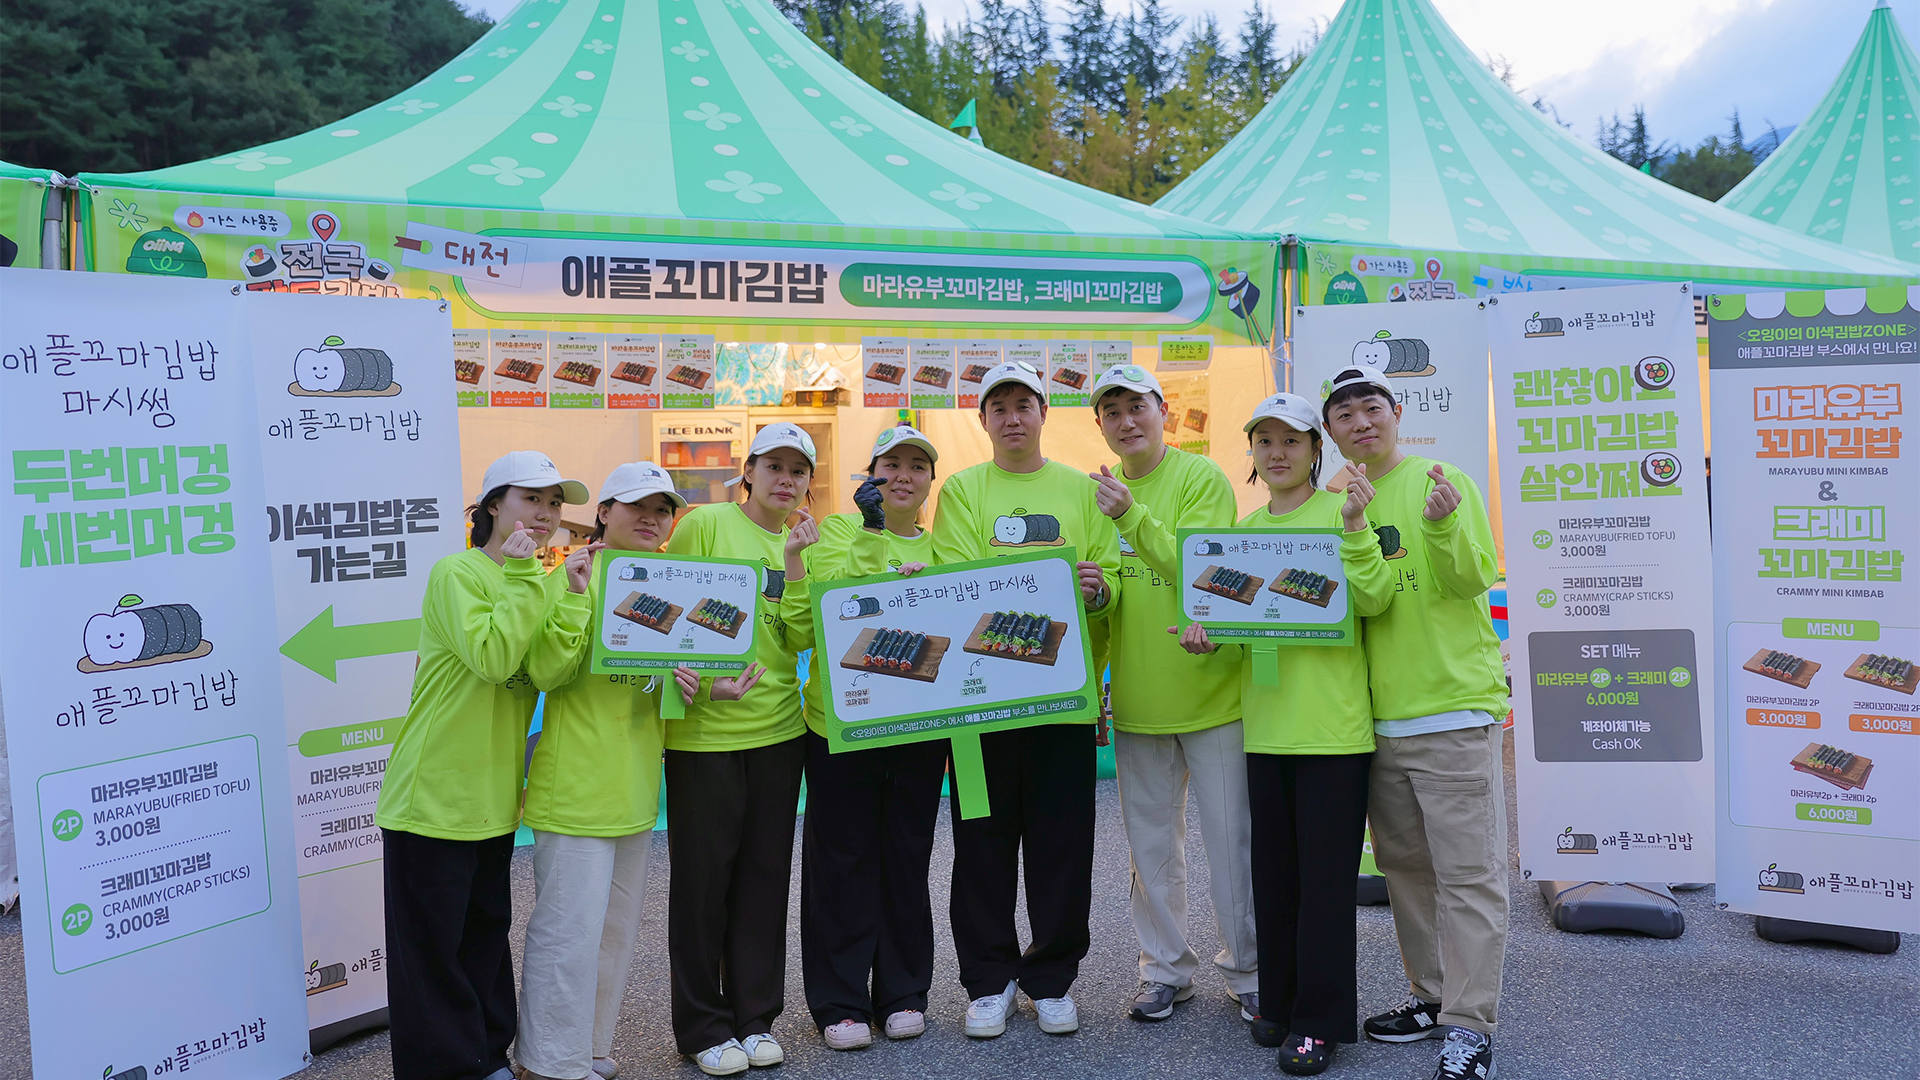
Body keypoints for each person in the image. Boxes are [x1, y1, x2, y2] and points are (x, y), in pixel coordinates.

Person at [515, 462, 764, 1080]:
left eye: (662, 510)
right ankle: (547, 1063)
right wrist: (575, 597)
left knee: (613, 932)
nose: (652, 519)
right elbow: (547, 671)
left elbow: (656, 687)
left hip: (634, 791)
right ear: (604, 513)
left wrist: (708, 690)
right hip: (574, 787)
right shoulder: (574, 576)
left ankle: (589, 1049)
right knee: (566, 932)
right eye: (637, 507)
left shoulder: (668, 584)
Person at [1174, 393, 1392, 1075]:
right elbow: (1247, 638)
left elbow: (1376, 598)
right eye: (1264, 441)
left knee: (1324, 886)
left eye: (1291, 440)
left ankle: (1320, 1021)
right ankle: (1281, 999)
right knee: (1273, 876)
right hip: (1265, 731)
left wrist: (1355, 528)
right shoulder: (1243, 532)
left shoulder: (1341, 512)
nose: (1277, 453)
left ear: (1315, 449)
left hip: (1333, 732)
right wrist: (1210, 637)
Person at [376, 451, 588, 1080]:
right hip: (431, 796)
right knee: (432, 952)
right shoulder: (457, 573)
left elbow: (547, 671)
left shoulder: (537, 582)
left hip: (493, 798)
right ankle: (446, 1069)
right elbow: (494, 658)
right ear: (493, 505)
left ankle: (486, 1055)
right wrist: (527, 577)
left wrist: (573, 597)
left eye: (555, 503)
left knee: (484, 937)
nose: (546, 514)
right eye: (531, 499)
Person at [1324, 367, 1509, 1080]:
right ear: (1331, 432)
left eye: (1371, 407)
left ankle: (1471, 1026)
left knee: (1468, 877)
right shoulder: (1338, 499)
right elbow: (1365, 601)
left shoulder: (1442, 479)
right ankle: (1431, 996)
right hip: (1377, 723)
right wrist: (1351, 524)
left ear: (1397, 412)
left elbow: (1473, 577)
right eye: (1344, 414)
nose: (1361, 422)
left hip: (1452, 712)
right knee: (1405, 873)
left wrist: (1439, 525)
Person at [929, 359, 1122, 1039]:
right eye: (999, 408)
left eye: (1024, 405)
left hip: (1061, 702)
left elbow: (1109, 579)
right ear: (983, 420)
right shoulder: (962, 491)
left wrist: (1098, 590)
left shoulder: (1081, 489)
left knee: (1060, 847)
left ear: (1045, 413)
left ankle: (1052, 979)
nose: (1012, 418)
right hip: (980, 704)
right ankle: (989, 981)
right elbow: (956, 580)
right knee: (980, 843)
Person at [1082, 365, 1257, 1025]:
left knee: (1232, 844)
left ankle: (1249, 970)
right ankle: (1164, 972)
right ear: (1100, 425)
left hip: (1215, 697)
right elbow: (1105, 601)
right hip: (1139, 703)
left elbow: (1204, 573)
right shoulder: (1098, 496)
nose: (1127, 421)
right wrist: (1097, 611)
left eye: (1138, 407)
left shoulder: (1200, 478)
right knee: (1151, 850)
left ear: (1163, 411)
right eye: (1112, 411)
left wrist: (1130, 515)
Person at [782, 425, 947, 1051]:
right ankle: (840, 1001)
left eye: (916, 466)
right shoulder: (835, 535)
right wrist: (874, 536)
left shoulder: (944, 549)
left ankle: (903, 993)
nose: (903, 476)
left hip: (918, 729)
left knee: (906, 858)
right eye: (890, 464)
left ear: (930, 481)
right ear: (869, 475)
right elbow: (829, 613)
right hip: (841, 727)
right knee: (841, 863)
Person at [663, 423, 820, 1077]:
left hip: (779, 733)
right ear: (747, 471)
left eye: (798, 470)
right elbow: (666, 613)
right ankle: (703, 1026)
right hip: (704, 736)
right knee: (703, 886)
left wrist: (795, 565)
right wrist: (700, 686)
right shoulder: (705, 525)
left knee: (763, 880)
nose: (786, 479)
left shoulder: (803, 540)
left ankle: (755, 1020)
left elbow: (798, 638)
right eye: (774, 466)